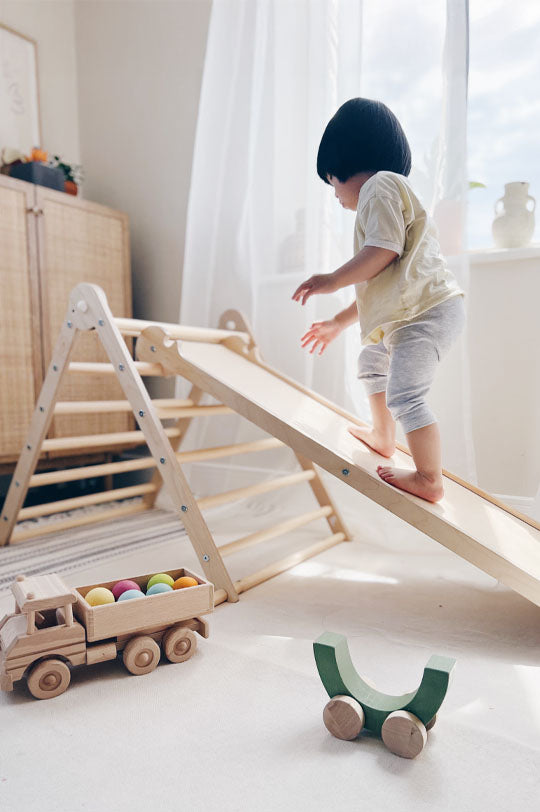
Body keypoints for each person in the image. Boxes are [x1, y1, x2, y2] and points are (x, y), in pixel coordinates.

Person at [292, 98, 464, 503]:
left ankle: (429, 477)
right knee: (371, 359)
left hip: (428, 313)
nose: (335, 195)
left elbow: (381, 252)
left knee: (405, 393)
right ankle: (383, 435)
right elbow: (380, 287)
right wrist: (337, 322)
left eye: (333, 182)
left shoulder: (379, 187)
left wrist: (332, 279)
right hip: (414, 310)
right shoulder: (386, 194)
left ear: (346, 162)